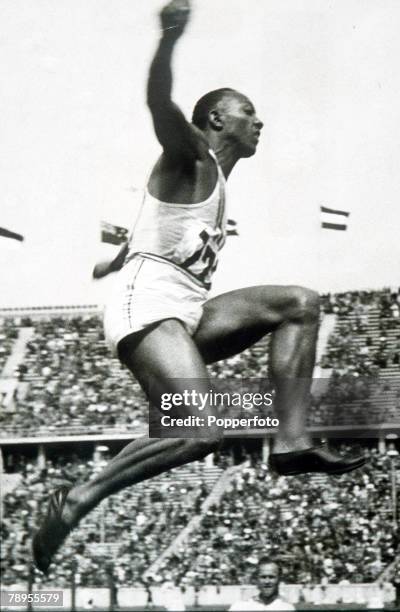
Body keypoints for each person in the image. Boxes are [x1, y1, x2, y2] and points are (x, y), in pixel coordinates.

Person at [32, 0, 364, 574]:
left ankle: (290, 442)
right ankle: (79, 499)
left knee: (300, 304)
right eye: (248, 112)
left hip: (182, 306)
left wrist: (119, 255)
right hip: (149, 307)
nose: (259, 122)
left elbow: (160, 227)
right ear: (215, 119)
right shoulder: (192, 155)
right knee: (199, 429)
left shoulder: (216, 185)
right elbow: (160, 105)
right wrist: (167, 38)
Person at [229, 560, 295, 611]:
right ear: (256, 579)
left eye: (271, 577)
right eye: (263, 577)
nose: (267, 581)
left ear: (279, 579)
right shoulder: (241, 606)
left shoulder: (287, 607)